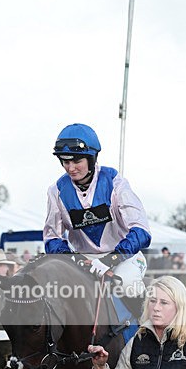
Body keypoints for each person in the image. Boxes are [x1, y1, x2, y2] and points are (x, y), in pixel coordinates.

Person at [43, 122, 151, 296]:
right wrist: (74, 259)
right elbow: (51, 237)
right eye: (65, 161)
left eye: (77, 161)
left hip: (125, 259)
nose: (70, 168)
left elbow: (142, 231)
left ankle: (145, 322)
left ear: (92, 158)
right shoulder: (56, 191)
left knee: (126, 286)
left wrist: (112, 259)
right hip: (83, 261)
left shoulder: (115, 182)